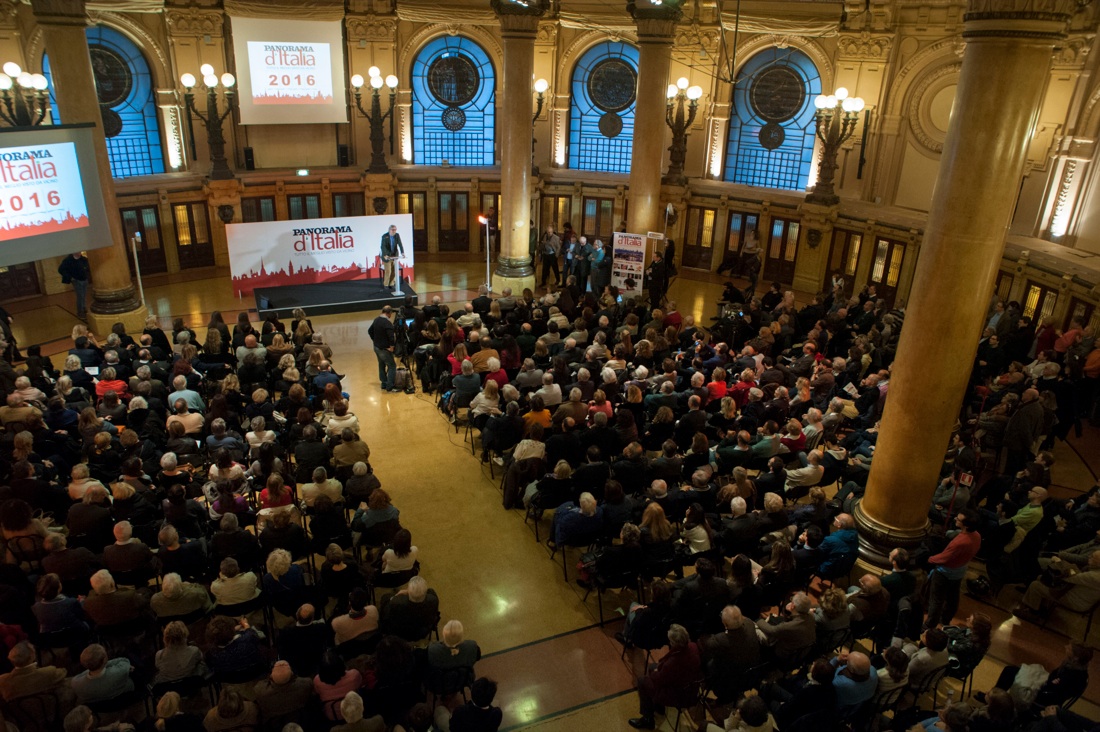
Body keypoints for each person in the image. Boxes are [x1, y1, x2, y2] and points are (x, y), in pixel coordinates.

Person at [628, 623, 701, 729]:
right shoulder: (693, 646)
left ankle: (648, 719)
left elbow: (659, 680)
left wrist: (656, 672)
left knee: (642, 681)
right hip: (690, 688)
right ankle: (658, 706)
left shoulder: (673, 663)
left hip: (679, 694)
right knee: (653, 666)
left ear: (674, 643)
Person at [370, 305, 398, 393]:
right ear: (388, 313)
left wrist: (375, 340)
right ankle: (390, 386)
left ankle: (384, 383)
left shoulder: (376, 320)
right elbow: (391, 337)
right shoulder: (387, 323)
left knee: (381, 364)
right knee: (392, 366)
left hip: (376, 347)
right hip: (384, 349)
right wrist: (392, 347)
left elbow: (369, 331)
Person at [58, 251, 91, 318]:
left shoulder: (83, 259)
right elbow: (61, 269)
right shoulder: (68, 260)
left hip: (84, 279)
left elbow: (87, 266)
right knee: (80, 296)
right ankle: (80, 312)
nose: (80, 252)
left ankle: (84, 308)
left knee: (84, 295)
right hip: (77, 280)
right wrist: (70, 278)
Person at [381, 224, 405, 293]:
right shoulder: (384, 236)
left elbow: (400, 244)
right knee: (388, 271)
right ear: (389, 230)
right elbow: (383, 246)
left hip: (394, 256)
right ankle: (386, 284)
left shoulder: (397, 235)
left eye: (395, 230)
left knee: (394, 270)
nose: (394, 231)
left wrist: (402, 252)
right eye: (393, 230)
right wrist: (385, 255)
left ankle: (391, 283)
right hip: (387, 256)